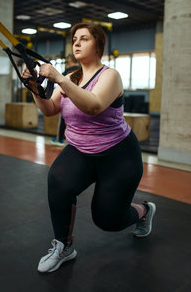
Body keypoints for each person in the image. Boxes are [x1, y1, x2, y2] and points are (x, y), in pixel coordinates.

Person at [22, 22, 156, 273]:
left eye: (84, 38)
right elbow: (50, 110)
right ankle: (64, 246)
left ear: (99, 45)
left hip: (118, 155)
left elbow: (93, 106)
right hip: (80, 150)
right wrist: (34, 89)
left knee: (108, 220)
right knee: (58, 181)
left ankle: (144, 211)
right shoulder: (72, 77)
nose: (76, 43)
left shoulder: (110, 76)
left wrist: (58, 78)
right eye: (74, 39)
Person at [50, 54, 80, 146]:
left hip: (67, 100)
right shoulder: (81, 70)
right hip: (80, 99)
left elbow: (59, 85)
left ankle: (59, 139)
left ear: (70, 61)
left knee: (63, 119)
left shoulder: (66, 72)